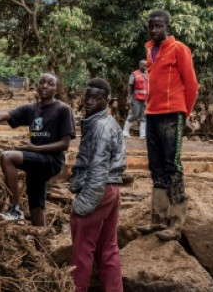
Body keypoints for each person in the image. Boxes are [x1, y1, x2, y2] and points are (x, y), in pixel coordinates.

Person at [137, 9, 198, 241]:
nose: (154, 30)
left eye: (158, 26)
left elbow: (191, 85)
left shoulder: (179, 48)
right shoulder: (150, 50)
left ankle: (176, 222)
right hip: (152, 113)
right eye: (151, 26)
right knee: (156, 166)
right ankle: (157, 217)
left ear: (167, 27)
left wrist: (184, 113)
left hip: (172, 113)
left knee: (173, 166)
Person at [0, 73, 74, 226]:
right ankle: (40, 235)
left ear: (57, 89)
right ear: (37, 86)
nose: (45, 86)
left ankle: (15, 209)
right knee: (36, 207)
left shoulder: (63, 109)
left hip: (52, 160)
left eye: (50, 84)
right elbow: (1, 116)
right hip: (36, 162)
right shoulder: (30, 108)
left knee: (7, 157)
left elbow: (65, 144)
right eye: (42, 82)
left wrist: (36, 148)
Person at [68, 78, 125, 292]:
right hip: (111, 190)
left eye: (96, 98)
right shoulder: (109, 122)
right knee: (108, 247)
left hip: (98, 189)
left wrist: (83, 203)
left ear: (106, 101)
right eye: (88, 96)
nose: (90, 101)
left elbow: (98, 167)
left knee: (82, 249)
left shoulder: (100, 127)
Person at [123, 59, 148, 138]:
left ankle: (143, 135)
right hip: (136, 98)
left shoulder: (147, 75)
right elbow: (130, 87)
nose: (145, 67)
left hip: (145, 99)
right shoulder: (134, 74)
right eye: (143, 66)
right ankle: (125, 131)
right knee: (134, 114)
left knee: (144, 116)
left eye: (146, 66)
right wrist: (129, 98)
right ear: (140, 66)